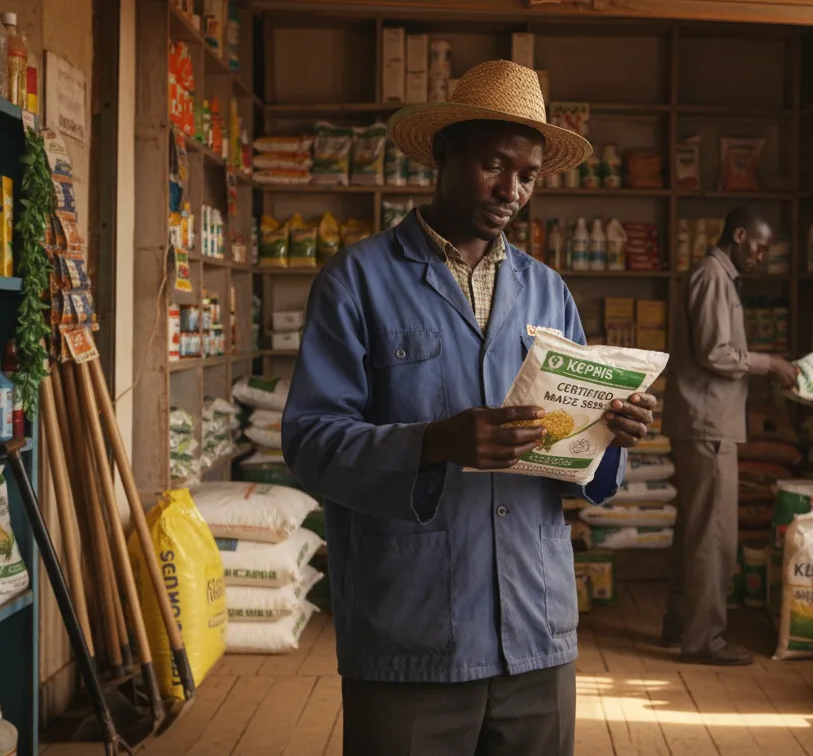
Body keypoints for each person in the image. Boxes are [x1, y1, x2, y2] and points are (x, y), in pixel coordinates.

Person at [281, 60, 657, 756]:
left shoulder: (548, 292)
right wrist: (434, 443)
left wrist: (612, 431)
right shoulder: (357, 281)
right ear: (443, 153)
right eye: (493, 163)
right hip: (413, 631)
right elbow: (310, 442)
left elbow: (576, 458)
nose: (511, 189)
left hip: (535, 629)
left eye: (529, 174)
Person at [660, 207, 800, 665]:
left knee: (694, 530)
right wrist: (770, 363)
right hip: (708, 424)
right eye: (758, 246)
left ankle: (680, 626)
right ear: (739, 235)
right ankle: (704, 640)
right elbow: (716, 353)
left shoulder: (714, 277)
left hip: (703, 421)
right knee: (713, 536)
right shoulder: (712, 277)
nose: (761, 256)